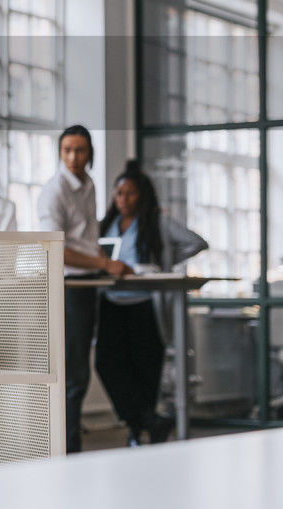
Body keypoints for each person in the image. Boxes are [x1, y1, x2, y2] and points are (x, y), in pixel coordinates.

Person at [94, 163, 207, 446]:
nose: (124, 199)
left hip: (144, 304)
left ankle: (138, 430)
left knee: (145, 368)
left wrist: (165, 259)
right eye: (119, 193)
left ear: (142, 196)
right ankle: (148, 421)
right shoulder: (106, 224)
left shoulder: (157, 222)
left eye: (130, 193)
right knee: (107, 364)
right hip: (112, 303)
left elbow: (197, 243)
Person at [35, 125, 127, 454]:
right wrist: (102, 264)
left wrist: (106, 261)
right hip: (68, 287)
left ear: (90, 154)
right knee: (72, 377)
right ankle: (67, 453)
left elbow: (85, 240)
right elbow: (54, 247)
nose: (74, 157)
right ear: (60, 153)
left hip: (87, 286)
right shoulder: (54, 191)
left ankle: (71, 448)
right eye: (67, 150)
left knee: (80, 375)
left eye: (81, 150)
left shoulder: (87, 185)